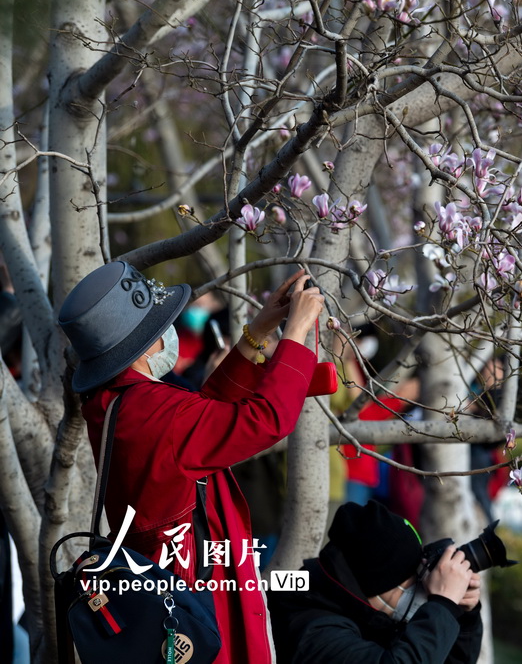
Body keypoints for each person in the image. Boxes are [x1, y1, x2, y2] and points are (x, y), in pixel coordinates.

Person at [57, 261, 324, 664]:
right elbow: (268, 419)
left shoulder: (115, 402)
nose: (169, 331)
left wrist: (259, 331)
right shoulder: (154, 410)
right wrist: (296, 333)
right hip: (196, 596)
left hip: (171, 581)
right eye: (159, 325)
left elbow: (203, 415)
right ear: (145, 345)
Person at [269, 501, 483, 664]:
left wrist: (462, 616)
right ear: (375, 585)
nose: (422, 591)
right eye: (413, 581)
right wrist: (442, 605)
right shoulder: (313, 630)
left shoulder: (356, 607)